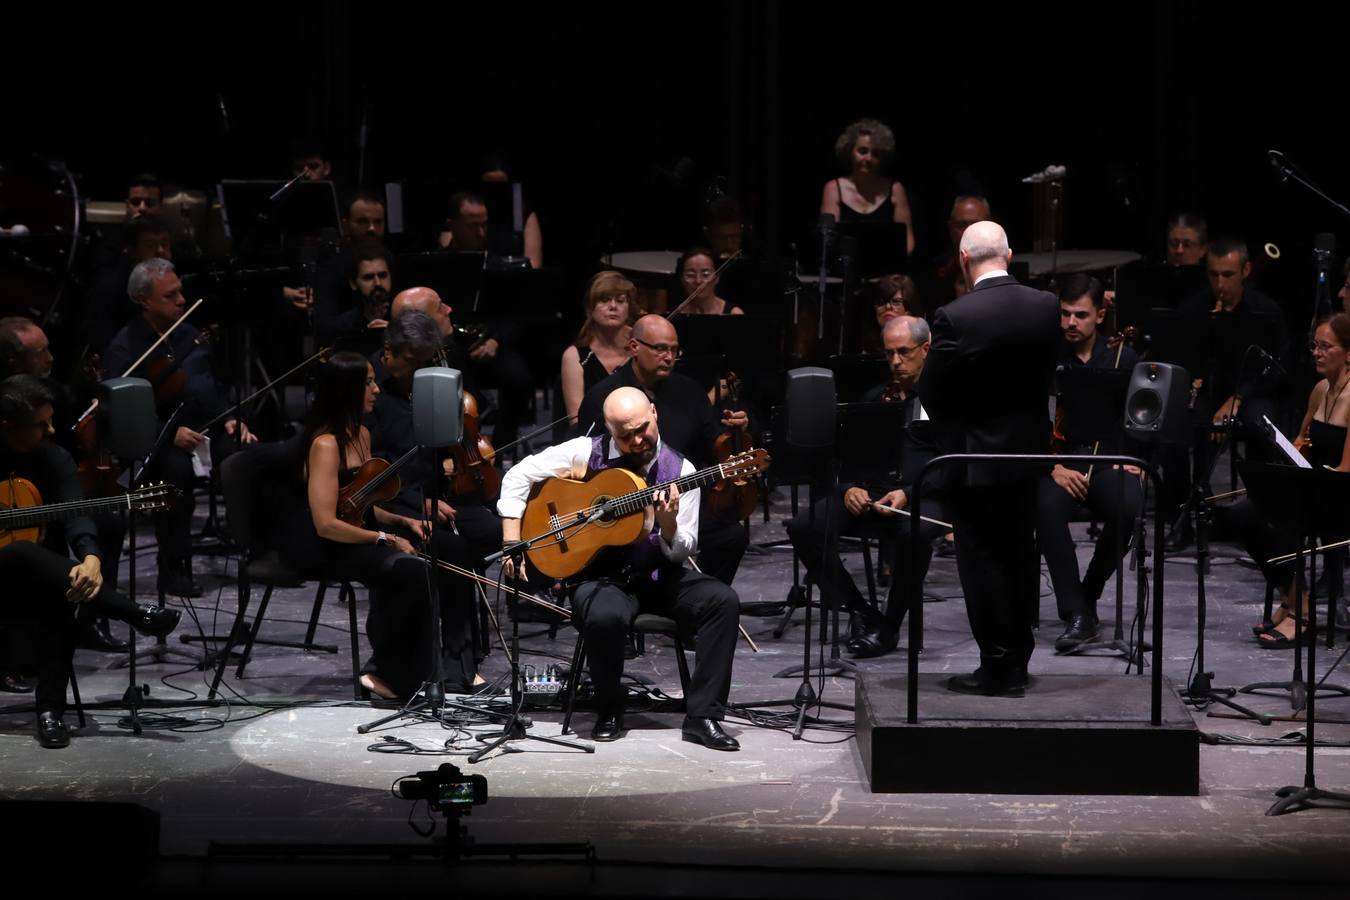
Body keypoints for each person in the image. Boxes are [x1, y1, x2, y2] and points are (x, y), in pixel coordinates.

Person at [497, 386, 741, 749]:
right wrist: (510, 541)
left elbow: (679, 551)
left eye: (643, 428)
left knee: (722, 601)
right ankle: (609, 709)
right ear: (611, 431)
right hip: (600, 578)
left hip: (658, 576)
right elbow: (518, 475)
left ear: (655, 413)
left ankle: (703, 716)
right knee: (605, 616)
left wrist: (669, 524)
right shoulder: (585, 451)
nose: (638, 440)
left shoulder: (682, 471)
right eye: (625, 435)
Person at [279, 351, 477, 699]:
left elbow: (363, 508)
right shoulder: (325, 445)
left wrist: (405, 521)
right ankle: (387, 672)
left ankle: (457, 661)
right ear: (347, 389)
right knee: (410, 570)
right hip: (327, 546)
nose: (376, 390)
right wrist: (386, 538)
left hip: (361, 533)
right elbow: (327, 524)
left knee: (452, 549)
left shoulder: (363, 435)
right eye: (368, 382)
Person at [918, 220, 1061, 697]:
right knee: (1021, 555)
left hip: (974, 459)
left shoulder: (955, 316)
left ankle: (997, 666)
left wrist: (959, 428)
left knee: (982, 562)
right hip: (1027, 456)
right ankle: (1017, 661)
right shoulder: (1045, 306)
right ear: (1010, 253)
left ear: (963, 260)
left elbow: (932, 392)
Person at [0, 375, 180, 747]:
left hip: (39, 578)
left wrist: (92, 559)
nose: (51, 429)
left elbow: (76, 513)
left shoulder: (54, 458)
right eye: (41, 423)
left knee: (69, 587)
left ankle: (50, 711)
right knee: (18, 553)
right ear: (8, 427)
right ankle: (132, 612)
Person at [101, 258, 257, 597]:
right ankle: (173, 568)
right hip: (157, 437)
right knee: (174, 472)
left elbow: (212, 386)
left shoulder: (190, 334)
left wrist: (232, 416)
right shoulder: (125, 347)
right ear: (144, 300)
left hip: (206, 426)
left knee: (245, 455)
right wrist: (169, 433)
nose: (182, 300)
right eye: (170, 296)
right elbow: (120, 412)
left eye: (180, 293)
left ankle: (255, 552)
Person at [785, 316, 939, 658]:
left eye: (904, 352)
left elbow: (952, 463)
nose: (895, 362)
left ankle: (889, 626)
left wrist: (908, 493)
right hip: (873, 496)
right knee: (803, 526)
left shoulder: (944, 400)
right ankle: (860, 609)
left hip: (923, 497)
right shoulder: (873, 398)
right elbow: (846, 459)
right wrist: (848, 488)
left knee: (915, 534)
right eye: (889, 354)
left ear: (925, 349)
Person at [575, 315, 751, 585]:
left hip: (678, 501)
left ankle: (695, 599)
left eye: (674, 350)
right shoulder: (605, 397)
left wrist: (736, 433)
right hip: (620, 511)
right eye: (660, 349)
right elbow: (584, 462)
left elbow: (713, 446)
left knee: (732, 536)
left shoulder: (689, 391)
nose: (669, 357)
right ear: (634, 347)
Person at [1219, 314, 1350, 646]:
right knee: (1244, 514)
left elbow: (1346, 472)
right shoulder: (1321, 390)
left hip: (1339, 495)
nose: (1317, 353)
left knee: (1280, 520)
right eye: (1314, 346)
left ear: (1348, 352)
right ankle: (1294, 598)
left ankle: (1300, 615)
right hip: (1312, 489)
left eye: (1326, 347)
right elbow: (1301, 441)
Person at [0, 317, 128, 652]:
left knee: (104, 523)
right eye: (40, 352)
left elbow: (64, 451)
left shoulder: (57, 392)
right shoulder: (14, 402)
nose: (50, 358)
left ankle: (91, 617)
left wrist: (90, 556)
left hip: (55, 487)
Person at [1035, 274, 1144, 651]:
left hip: (1109, 459)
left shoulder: (1122, 358)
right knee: (1045, 508)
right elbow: (1031, 417)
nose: (1070, 323)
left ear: (1100, 315)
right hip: (1060, 460)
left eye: (1080, 315)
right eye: (1065, 314)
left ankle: (1088, 594)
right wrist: (1052, 466)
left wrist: (1135, 459)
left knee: (1130, 506)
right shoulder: (1046, 357)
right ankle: (1075, 614)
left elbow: (1140, 417)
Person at [1164, 236, 1287, 550]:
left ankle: (1262, 517)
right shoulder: (1194, 309)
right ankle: (1181, 517)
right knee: (1174, 429)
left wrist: (1239, 398)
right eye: (1213, 274)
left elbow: (1275, 369)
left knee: (1263, 424)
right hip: (1208, 392)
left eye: (1228, 275)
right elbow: (1181, 360)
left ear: (1245, 270)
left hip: (1250, 394)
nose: (1220, 283)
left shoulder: (1265, 311)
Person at [386, 288, 504, 566]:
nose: (423, 370)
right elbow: (379, 468)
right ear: (391, 352)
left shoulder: (439, 365)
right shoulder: (376, 393)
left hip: (441, 489)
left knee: (505, 523)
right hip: (401, 502)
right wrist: (419, 502)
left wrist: (454, 457)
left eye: (426, 362)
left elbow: (468, 410)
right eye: (415, 362)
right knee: (460, 546)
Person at [819, 118, 916, 256]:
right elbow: (827, 239)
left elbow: (908, 240)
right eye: (863, 151)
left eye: (875, 153)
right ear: (850, 151)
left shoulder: (895, 188)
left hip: (886, 268)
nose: (869, 158)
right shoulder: (833, 188)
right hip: (845, 268)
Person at [82, 215, 174, 354]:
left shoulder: (176, 277)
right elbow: (103, 341)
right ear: (132, 251)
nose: (160, 251)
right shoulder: (111, 285)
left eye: (165, 244)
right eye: (150, 245)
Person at [561, 271, 636, 427]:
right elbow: (577, 421)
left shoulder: (641, 345)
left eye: (621, 300)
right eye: (604, 300)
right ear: (590, 308)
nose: (613, 306)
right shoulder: (574, 356)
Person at [313, 237, 393, 356]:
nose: (378, 283)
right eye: (368, 277)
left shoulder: (404, 319)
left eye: (382, 275)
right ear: (353, 283)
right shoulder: (341, 328)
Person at [929, 195, 992, 309]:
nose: (968, 231)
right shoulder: (937, 271)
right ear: (950, 228)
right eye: (961, 225)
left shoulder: (1004, 268)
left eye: (975, 224)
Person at [479, 156, 543, 269]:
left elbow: (534, 264)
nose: (495, 191)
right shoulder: (470, 214)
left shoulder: (521, 213)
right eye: (490, 184)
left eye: (501, 185)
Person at [671, 247, 744, 316]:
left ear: (717, 278)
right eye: (691, 275)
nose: (698, 281)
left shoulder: (734, 313)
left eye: (705, 274)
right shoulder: (674, 315)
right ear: (682, 279)